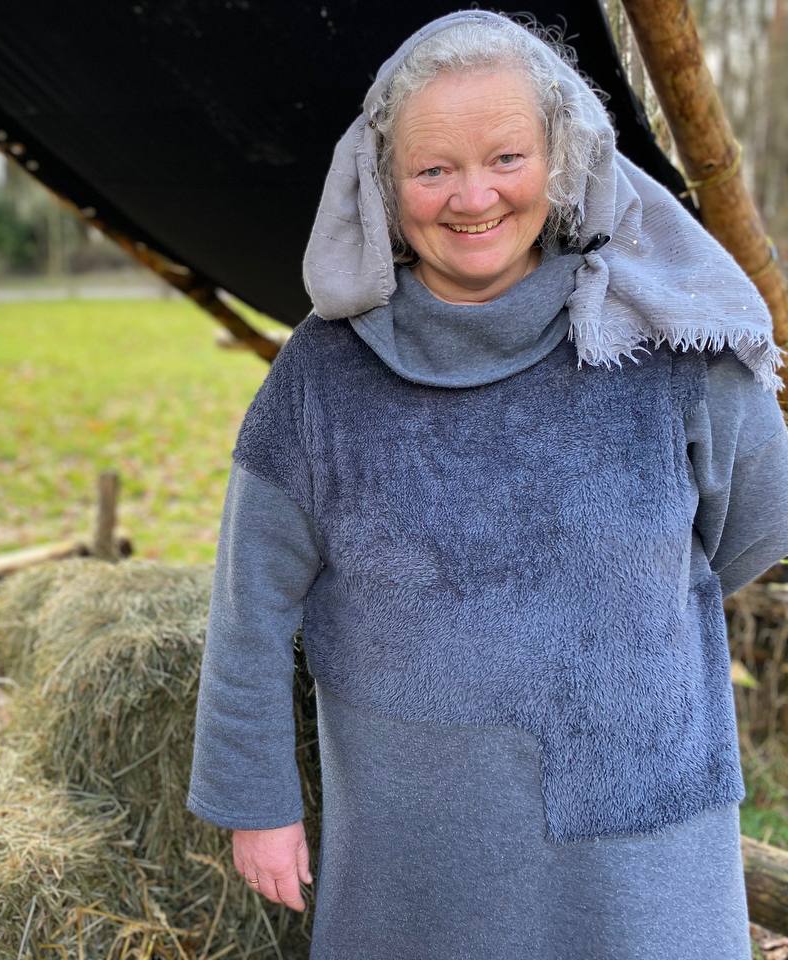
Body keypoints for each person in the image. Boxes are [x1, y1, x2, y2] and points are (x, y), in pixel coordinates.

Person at [186, 9, 788, 960]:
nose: (473, 198)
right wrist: (257, 802)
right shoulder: (321, 378)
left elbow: (750, 530)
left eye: (507, 158)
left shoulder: (669, 343)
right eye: (433, 170)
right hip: (416, 846)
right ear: (384, 183)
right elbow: (248, 605)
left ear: (563, 158)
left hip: (639, 843)